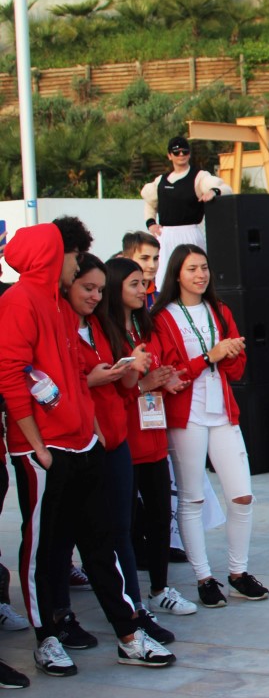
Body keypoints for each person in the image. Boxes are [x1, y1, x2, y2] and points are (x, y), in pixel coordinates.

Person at [0, 219, 175, 678]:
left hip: (83, 442)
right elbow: (12, 374)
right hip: (45, 449)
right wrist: (35, 445)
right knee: (45, 548)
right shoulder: (19, 301)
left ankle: (128, 633)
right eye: (73, 255)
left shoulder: (58, 306)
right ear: (50, 257)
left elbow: (76, 371)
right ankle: (47, 638)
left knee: (103, 542)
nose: (79, 262)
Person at [63, 254, 176, 647]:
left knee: (122, 532)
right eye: (87, 287)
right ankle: (63, 621)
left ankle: (135, 614)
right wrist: (108, 378)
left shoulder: (101, 327)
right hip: (79, 443)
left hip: (118, 441)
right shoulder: (68, 325)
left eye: (97, 288)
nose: (143, 289)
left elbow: (122, 386)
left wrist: (133, 373)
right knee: (85, 537)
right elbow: (63, 383)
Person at [150, 245, 269, 609]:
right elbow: (170, 373)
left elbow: (236, 368)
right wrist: (209, 357)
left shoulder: (220, 310)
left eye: (204, 267)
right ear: (177, 274)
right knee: (192, 497)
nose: (200, 275)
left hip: (222, 412)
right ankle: (203, 577)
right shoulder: (163, 317)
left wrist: (230, 355)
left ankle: (238, 572)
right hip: (186, 414)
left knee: (242, 495)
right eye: (192, 269)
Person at [99, 257, 197, 622]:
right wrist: (142, 383)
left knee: (159, 517)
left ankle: (159, 590)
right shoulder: (105, 334)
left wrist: (167, 379)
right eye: (134, 284)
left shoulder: (147, 328)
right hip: (122, 439)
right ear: (115, 288)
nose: (143, 290)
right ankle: (132, 603)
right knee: (123, 525)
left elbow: (160, 371)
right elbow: (109, 390)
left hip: (154, 436)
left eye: (144, 283)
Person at [141, 136, 229, 291]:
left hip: (190, 233)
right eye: (176, 152)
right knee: (164, 276)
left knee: (195, 272)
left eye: (184, 151)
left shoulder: (199, 176)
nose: (181, 155)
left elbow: (224, 188)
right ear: (170, 155)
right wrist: (151, 223)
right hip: (166, 235)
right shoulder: (161, 180)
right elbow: (150, 201)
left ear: (189, 154)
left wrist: (213, 191)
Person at [121, 230, 161, 308]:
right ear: (127, 259)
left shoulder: (162, 301)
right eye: (144, 258)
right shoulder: (115, 298)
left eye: (155, 258)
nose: (152, 265)